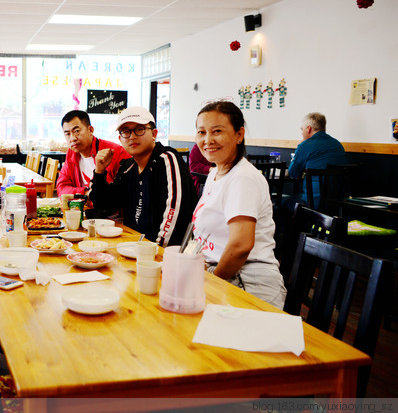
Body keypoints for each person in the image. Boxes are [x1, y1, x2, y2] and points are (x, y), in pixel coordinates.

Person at [192, 101, 286, 309]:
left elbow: (241, 246)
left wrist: (212, 279)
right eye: (201, 132)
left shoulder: (242, 178)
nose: (208, 140)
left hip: (248, 282)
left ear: (239, 134)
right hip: (222, 273)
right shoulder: (216, 172)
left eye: (217, 131)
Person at [89, 106, 197, 246]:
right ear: (120, 139)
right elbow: (104, 205)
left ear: (154, 133)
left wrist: (155, 252)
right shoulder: (128, 167)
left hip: (162, 254)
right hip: (132, 247)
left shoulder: (167, 159)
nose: (132, 136)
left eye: (139, 129)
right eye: (126, 132)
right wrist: (99, 171)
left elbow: (175, 215)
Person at [57, 110, 129, 197]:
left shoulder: (114, 152)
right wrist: (86, 192)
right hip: (83, 209)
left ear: (90, 130)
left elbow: (125, 192)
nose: (72, 138)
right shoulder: (72, 153)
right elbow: (61, 187)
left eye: (76, 131)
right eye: (67, 134)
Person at [287, 112, 346, 208]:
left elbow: (293, 173)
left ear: (308, 128)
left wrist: (299, 146)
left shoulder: (305, 145)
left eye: (302, 129)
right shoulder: (337, 144)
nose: (301, 133)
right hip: (337, 202)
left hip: (312, 202)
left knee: (279, 204)